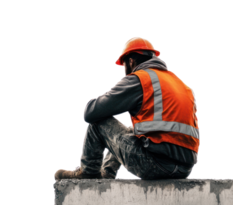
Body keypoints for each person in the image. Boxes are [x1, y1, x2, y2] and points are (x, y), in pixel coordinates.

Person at [54, 35, 200, 180]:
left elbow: (91, 113)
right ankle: (107, 172)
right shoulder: (181, 83)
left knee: (99, 122)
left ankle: (88, 172)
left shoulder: (141, 79)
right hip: (184, 168)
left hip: (154, 165)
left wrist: (92, 102)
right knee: (131, 129)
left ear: (130, 61)